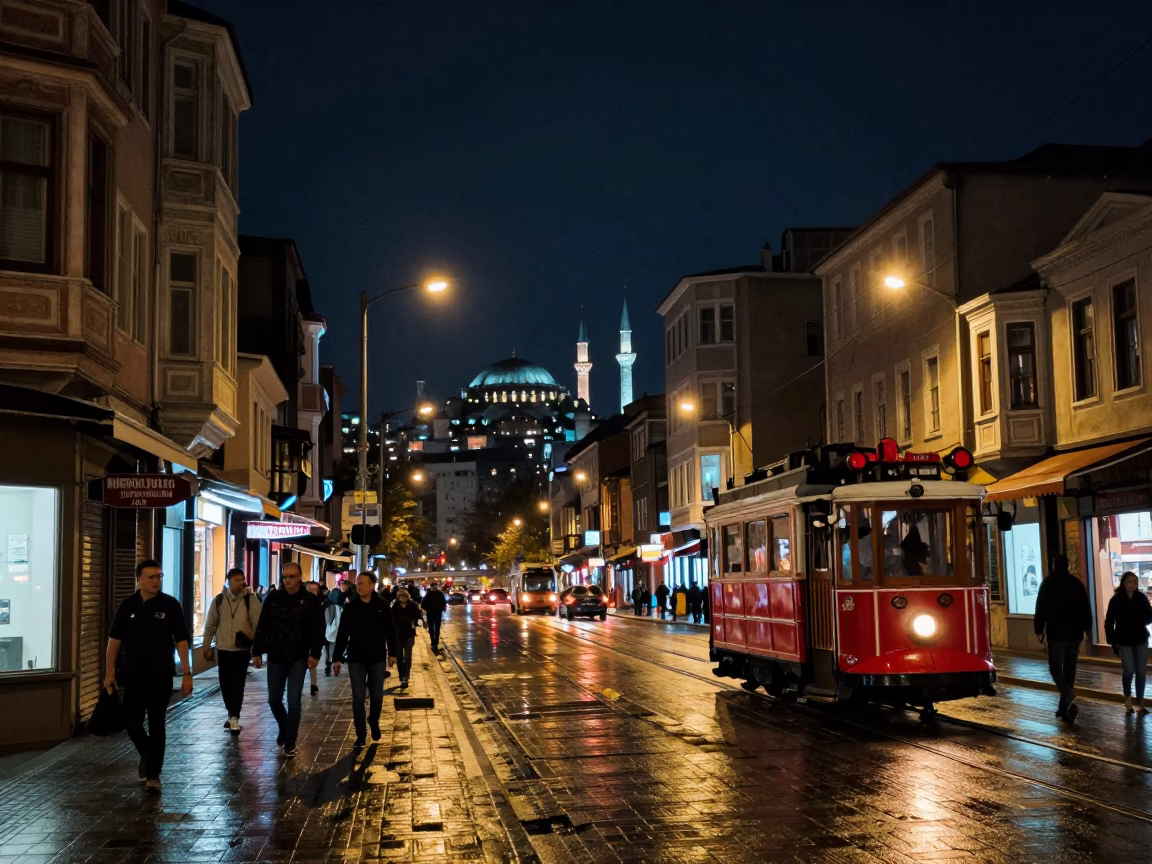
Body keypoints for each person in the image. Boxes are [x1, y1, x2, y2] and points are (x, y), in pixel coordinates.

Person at [104, 560, 192, 794]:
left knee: (157, 724)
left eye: (159, 576)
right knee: (132, 723)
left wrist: (187, 673)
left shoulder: (170, 605)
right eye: (151, 577)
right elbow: (114, 640)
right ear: (139, 580)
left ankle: (153, 775)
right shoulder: (127, 605)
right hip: (133, 675)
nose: (156, 581)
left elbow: (181, 640)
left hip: (161, 675)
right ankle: (147, 753)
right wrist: (109, 672)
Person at [252, 562, 326, 757]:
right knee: (274, 700)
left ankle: (290, 740)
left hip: (298, 657)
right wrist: (257, 651)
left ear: (299, 577)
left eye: (291, 576)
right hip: (276, 656)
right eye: (284, 576)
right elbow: (262, 625)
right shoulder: (273, 598)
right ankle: (284, 727)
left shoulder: (309, 601)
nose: (287, 580)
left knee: (293, 701)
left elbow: (318, 629)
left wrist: (315, 653)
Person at [332, 572, 399, 746]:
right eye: (357, 584)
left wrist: (393, 653)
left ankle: (373, 720)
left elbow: (391, 631)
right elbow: (342, 634)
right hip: (356, 657)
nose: (359, 587)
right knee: (358, 697)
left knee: (376, 696)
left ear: (372, 585)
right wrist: (337, 658)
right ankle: (360, 734)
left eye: (362, 583)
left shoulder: (383, 606)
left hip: (377, 657)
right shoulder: (351, 607)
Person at [1034, 554, 1093, 723]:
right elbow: (1086, 607)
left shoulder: (1047, 584)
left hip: (1056, 633)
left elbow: (1040, 607)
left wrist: (1039, 630)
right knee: (1069, 670)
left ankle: (1067, 695)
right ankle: (1064, 708)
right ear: (1068, 566)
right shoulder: (1077, 584)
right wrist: (1087, 628)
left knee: (1055, 668)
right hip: (1074, 634)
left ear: (1053, 566)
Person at [202, 567, 261, 733]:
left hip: (242, 650)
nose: (240, 583)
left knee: (238, 683)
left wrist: (257, 650)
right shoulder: (219, 600)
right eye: (236, 580)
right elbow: (210, 624)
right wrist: (206, 645)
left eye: (242, 579)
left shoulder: (250, 599)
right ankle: (231, 714)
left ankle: (234, 715)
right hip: (222, 649)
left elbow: (259, 624)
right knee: (225, 684)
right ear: (229, 582)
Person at [1105, 570, 1152, 714]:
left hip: (1140, 638)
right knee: (1129, 670)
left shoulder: (1141, 598)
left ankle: (1140, 702)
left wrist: (1145, 615)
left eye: (1135, 581)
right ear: (1123, 584)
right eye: (1129, 581)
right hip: (1123, 639)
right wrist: (1111, 640)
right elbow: (1109, 621)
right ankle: (1127, 699)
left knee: (1141, 671)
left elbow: (1149, 618)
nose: (1133, 584)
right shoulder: (1116, 600)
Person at [392, 588, 422, 688]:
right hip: (398, 634)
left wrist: (416, 622)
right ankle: (401, 676)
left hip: (409, 634)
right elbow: (391, 619)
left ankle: (406, 677)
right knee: (399, 657)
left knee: (408, 657)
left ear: (407, 596)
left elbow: (419, 617)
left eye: (404, 596)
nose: (402, 598)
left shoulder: (412, 606)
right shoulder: (395, 606)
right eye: (400, 596)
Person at [305, 581, 326, 695]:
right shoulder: (302, 603)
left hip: (313, 640)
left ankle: (313, 684)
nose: (313, 592)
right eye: (311, 590)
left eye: (315, 590)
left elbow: (321, 626)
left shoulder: (319, 604)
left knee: (312, 662)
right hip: (302, 640)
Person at [421, 580, 447, 653]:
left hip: (437, 614)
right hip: (431, 614)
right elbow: (423, 604)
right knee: (431, 629)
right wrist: (428, 609)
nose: (435, 588)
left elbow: (443, 603)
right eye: (433, 587)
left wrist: (440, 608)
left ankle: (436, 643)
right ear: (431, 587)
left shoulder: (439, 594)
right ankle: (433, 642)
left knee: (437, 629)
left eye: (436, 586)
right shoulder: (428, 594)